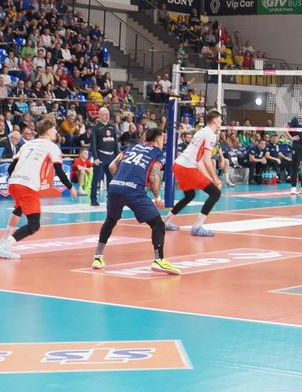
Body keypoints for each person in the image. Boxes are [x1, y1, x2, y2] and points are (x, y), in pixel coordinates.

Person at [91, 127, 179, 275]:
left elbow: (112, 167)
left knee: (110, 220)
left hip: (115, 187)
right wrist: (157, 197)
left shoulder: (131, 148)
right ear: (159, 139)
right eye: (162, 139)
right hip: (134, 191)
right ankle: (159, 260)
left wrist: (123, 178)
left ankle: (97, 257)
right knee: (158, 224)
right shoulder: (158, 153)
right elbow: (154, 173)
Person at [0, 115, 73, 260]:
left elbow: (11, 167)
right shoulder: (51, 147)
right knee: (34, 225)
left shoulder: (26, 144)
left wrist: (16, 178)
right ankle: (3, 247)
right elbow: (59, 170)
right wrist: (70, 186)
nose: (56, 132)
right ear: (48, 130)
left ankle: (3, 240)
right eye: (54, 129)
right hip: (27, 186)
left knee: (19, 208)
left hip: (13, 183)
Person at [166, 110, 223, 236]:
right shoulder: (211, 135)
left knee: (189, 195)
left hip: (178, 165)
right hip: (187, 167)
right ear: (214, 120)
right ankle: (197, 227)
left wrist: (209, 178)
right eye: (220, 118)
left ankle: (165, 222)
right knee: (215, 193)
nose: (221, 121)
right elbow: (207, 160)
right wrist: (215, 179)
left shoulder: (201, 132)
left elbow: (199, 161)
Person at [88, 106, 120, 207]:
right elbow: (93, 144)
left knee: (111, 179)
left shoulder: (112, 127)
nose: (107, 116)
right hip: (100, 157)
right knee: (96, 178)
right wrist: (95, 158)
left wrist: (117, 157)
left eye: (108, 115)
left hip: (111, 157)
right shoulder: (95, 128)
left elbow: (115, 143)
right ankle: (93, 199)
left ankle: (110, 199)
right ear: (100, 115)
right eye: (105, 115)